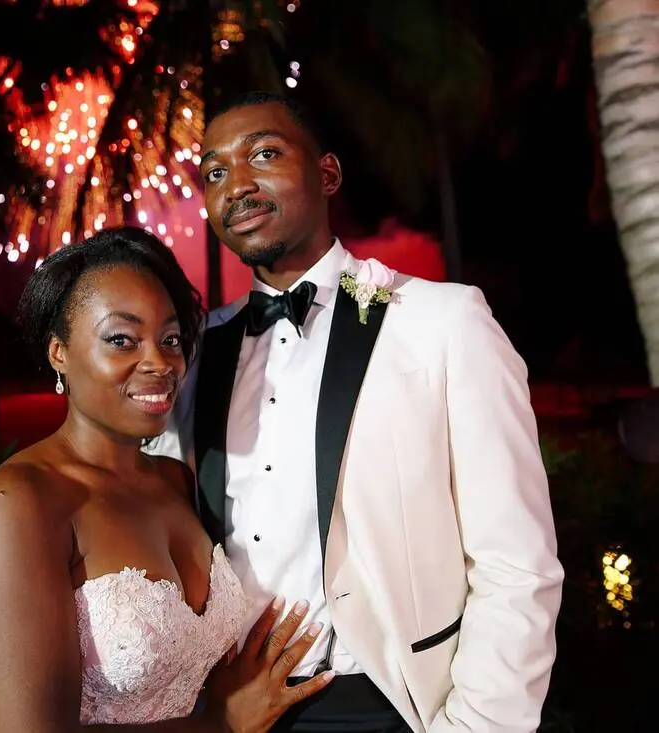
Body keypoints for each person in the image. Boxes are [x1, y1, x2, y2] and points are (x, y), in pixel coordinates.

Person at [144, 91, 564, 732]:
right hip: (234, 712)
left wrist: (478, 724)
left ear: (327, 174)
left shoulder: (443, 323)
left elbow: (517, 562)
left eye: (264, 154)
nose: (238, 185)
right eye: (216, 172)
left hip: (392, 704)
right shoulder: (196, 353)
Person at [0, 226, 336, 731]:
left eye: (170, 339)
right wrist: (220, 723)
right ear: (59, 352)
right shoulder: (21, 502)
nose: (159, 362)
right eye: (121, 340)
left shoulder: (175, 481)